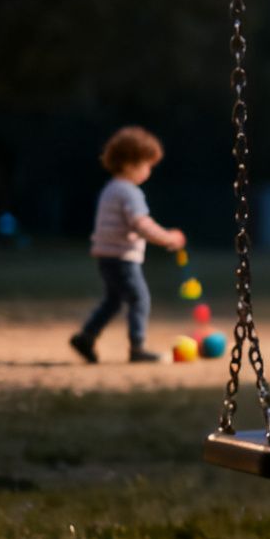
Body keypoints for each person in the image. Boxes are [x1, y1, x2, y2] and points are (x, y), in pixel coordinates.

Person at [69, 126, 186, 364]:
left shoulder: (110, 189)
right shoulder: (129, 192)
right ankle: (137, 348)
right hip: (122, 258)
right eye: (147, 165)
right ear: (130, 163)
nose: (149, 171)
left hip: (106, 257)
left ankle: (86, 337)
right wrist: (168, 238)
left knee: (113, 301)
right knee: (139, 299)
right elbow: (141, 224)